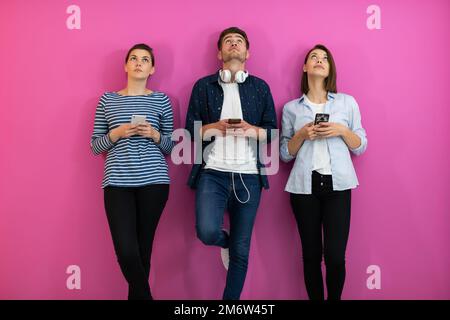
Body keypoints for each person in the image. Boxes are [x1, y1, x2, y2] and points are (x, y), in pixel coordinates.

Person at [185, 27, 277, 300]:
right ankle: (224, 241)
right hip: (212, 173)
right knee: (207, 231)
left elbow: (272, 132)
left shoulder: (260, 87)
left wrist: (251, 129)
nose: (234, 44)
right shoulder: (203, 86)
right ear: (219, 53)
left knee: (242, 250)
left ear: (247, 53)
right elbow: (189, 130)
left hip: (249, 176)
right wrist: (214, 127)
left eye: (239, 42)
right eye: (228, 41)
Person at [280, 44, 367, 300]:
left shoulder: (347, 102)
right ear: (305, 67)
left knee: (335, 256)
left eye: (325, 58)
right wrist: (301, 134)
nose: (319, 60)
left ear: (329, 69)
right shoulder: (291, 109)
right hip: (303, 188)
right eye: (314, 58)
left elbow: (361, 145)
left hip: (338, 186)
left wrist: (341, 130)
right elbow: (285, 153)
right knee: (310, 256)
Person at [90, 43, 174, 300]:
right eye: (134, 59)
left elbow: (171, 147)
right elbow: (95, 146)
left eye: (145, 59)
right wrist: (116, 133)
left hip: (154, 182)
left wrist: (155, 134)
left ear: (152, 68)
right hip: (116, 183)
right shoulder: (108, 99)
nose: (139, 63)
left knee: (142, 249)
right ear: (126, 65)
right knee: (127, 251)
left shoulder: (161, 100)